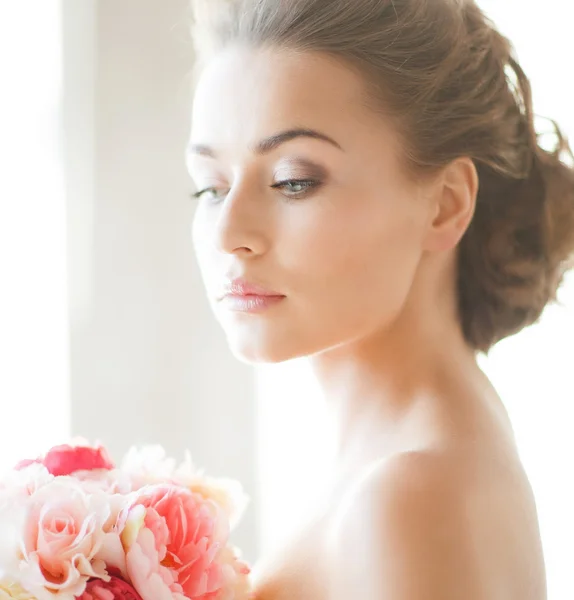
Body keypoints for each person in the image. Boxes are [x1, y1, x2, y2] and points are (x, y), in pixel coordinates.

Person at [186, 0, 574, 598]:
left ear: (445, 202)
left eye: (294, 181)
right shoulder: (408, 464)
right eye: (211, 187)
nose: (229, 234)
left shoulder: (411, 499)